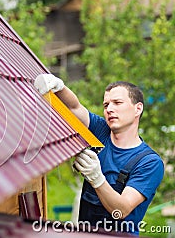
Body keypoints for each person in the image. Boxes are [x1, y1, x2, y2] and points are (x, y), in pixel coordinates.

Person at [34, 74, 164, 235]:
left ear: (138, 108)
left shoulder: (149, 162)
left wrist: (97, 178)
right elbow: (74, 107)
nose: (109, 109)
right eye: (106, 105)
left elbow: (121, 209)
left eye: (117, 103)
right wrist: (59, 87)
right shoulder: (101, 132)